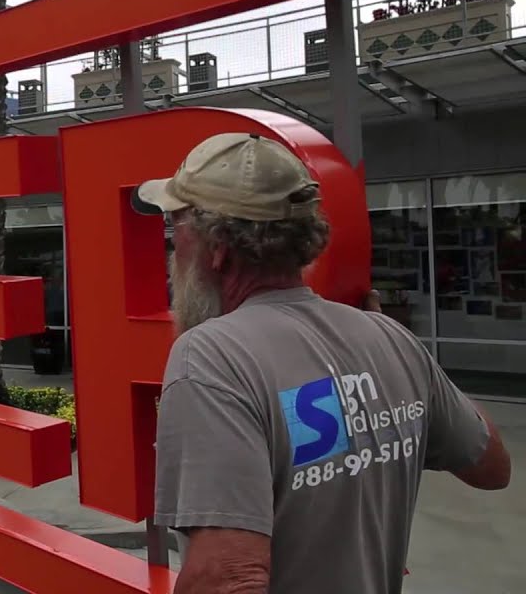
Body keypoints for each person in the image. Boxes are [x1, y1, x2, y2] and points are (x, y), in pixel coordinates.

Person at [133, 133, 511, 593]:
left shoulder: (212, 356)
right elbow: (492, 465)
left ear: (218, 248)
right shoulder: (391, 339)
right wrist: (400, 363)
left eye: (176, 229)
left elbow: (227, 577)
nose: (173, 251)